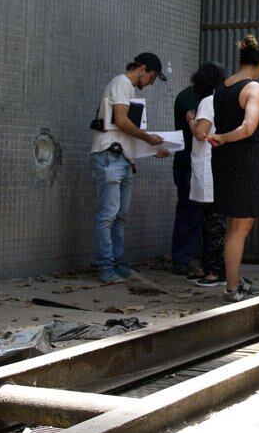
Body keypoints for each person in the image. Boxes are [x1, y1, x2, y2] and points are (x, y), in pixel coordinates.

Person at [89, 53, 168, 284]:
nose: (151, 83)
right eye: (151, 77)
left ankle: (116, 262)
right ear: (142, 69)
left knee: (119, 216)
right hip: (110, 156)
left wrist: (153, 148)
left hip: (120, 157)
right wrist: (148, 138)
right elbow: (123, 122)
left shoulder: (128, 89)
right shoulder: (122, 83)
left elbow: (125, 133)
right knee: (109, 216)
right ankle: (106, 266)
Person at [207, 36, 259, 302]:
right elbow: (248, 128)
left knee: (235, 226)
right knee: (239, 228)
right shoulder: (254, 88)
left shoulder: (223, 87)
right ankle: (231, 287)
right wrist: (223, 137)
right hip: (245, 161)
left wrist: (222, 139)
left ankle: (235, 280)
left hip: (226, 160)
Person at [185, 61, 228, 288]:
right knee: (214, 219)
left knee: (212, 220)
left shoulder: (207, 101)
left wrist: (191, 119)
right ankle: (212, 267)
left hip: (208, 164)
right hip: (217, 164)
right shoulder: (222, 100)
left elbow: (201, 133)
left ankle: (215, 271)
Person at [170, 69, 208, 279]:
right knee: (189, 209)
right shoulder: (189, 98)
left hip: (191, 162)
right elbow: (199, 131)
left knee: (192, 211)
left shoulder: (193, 96)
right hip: (187, 163)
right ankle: (181, 259)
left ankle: (186, 258)